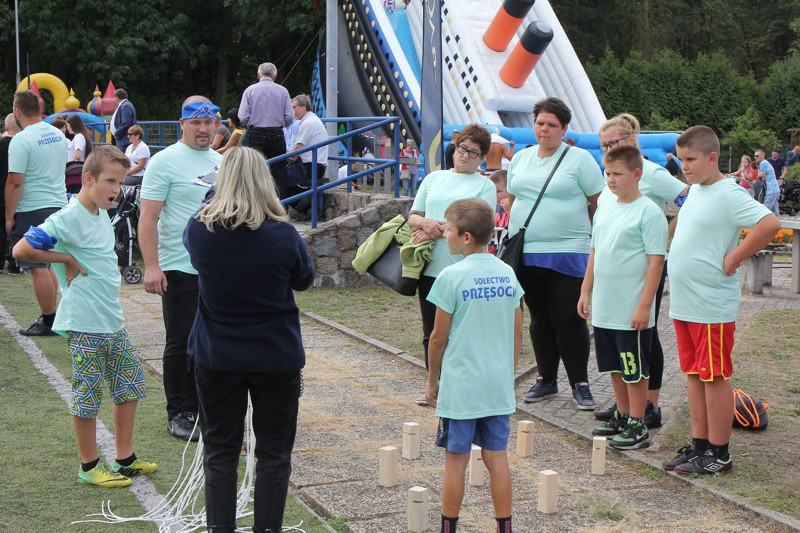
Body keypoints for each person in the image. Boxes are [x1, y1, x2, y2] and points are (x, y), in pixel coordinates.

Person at [184, 146, 314, 532]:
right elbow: (303, 280)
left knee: (221, 453)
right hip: (275, 355)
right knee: (274, 454)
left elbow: (195, 258)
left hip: (217, 353)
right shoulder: (283, 235)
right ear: (265, 182)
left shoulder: (200, 229)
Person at [12, 146, 157, 487]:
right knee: (88, 396)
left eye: (120, 183)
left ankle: (124, 459)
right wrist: (64, 259)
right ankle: (89, 466)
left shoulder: (100, 214)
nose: (116, 190)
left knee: (130, 385)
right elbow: (21, 249)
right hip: (86, 324)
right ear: (88, 179)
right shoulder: (68, 216)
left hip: (110, 321)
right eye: (110, 181)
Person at [663, 125, 780, 475]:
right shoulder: (696, 190)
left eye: (691, 159)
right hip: (686, 303)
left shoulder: (728, 194)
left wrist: (734, 258)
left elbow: (769, 223)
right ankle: (700, 445)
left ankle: (720, 452)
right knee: (694, 375)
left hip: (710, 305)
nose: (684, 166)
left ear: (712, 158)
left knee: (714, 376)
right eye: (681, 159)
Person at [425, 198, 522, 533]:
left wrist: (431, 382)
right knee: (497, 458)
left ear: (466, 237)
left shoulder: (450, 277)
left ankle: (448, 527)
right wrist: (507, 374)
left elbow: (437, 339)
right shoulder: (507, 272)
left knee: (456, 461)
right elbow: (517, 329)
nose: (444, 235)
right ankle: (504, 527)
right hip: (496, 385)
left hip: (462, 388)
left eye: (448, 229)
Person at [507, 97, 605, 410]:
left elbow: (596, 203)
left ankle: (580, 383)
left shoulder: (579, 159)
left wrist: (589, 239)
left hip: (567, 251)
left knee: (568, 318)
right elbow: (511, 198)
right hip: (526, 252)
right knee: (539, 318)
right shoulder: (521, 158)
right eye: (540, 123)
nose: (544, 130)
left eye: (552, 125)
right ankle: (546, 379)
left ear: (564, 128)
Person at [592, 113, 688, 427]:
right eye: (603, 144)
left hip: (646, 265)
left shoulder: (654, 173)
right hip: (616, 272)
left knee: (645, 335)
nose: (607, 149)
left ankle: (650, 406)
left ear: (632, 140)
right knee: (618, 340)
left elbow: (689, 198)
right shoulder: (612, 177)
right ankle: (627, 409)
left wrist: (666, 231)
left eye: (613, 142)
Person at [139, 96, 223, 441]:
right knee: (182, 339)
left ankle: (208, 406)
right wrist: (152, 266)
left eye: (209, 123)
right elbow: (148, 216)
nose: (203, 129)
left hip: (216, 269)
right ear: (182, 125)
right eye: (196, 123)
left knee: (215, 339)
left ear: (216, 124)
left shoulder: (222, 160)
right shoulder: (164, 162)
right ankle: (180, 411)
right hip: (178, 266)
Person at [578, 145, 667, 450]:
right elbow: (595, 251)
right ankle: (623, 414)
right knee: (613, 366)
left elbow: (656, 262)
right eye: (608, 173)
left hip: (632, 308)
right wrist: (585, 289)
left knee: (634, 369)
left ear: (636, 174)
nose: (611, 179)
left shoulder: (649, 212)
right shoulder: (605, 206)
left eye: (618, 174)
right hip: (606, 306)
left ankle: (638, 424)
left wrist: (645, 306)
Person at [408, 123, 497, 405]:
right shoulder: (434, 179)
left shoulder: (485, 186)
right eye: (462, 149)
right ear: (454, 148)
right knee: (432, 333)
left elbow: (479, 223)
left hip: (464, 269)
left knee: (461, 333)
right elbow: (413, 214)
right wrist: (426, 223)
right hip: (432, 266)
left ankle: (458, 389)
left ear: (482, 158)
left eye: (473, 153)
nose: (465, 156)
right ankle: (433, 386)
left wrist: (436, 228)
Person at [5, 90, 68, 336]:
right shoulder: (57, 133)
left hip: (32, 206)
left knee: (36, 266)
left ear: (17, 111)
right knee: (48, 263)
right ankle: (54, 316)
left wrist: (10, 216)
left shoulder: (21, 140)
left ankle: (50, 320)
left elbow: (15, 182)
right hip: (58, 203)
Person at [238, 62, 293, 180]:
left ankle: (255, 198)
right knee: (278, 171)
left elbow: (243, 117)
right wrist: (280, 123)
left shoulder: (250, 90)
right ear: (274, 76)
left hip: (255, 133)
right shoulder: (283, 91)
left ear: (258, 75)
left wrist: (252, 124)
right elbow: (289, 117)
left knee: (253, 170)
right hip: (276, 134)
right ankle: (279, 198)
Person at [284, 94, 329, 218]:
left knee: (278, 176)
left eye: (294, 108)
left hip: (312, 165)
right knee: (280, 174)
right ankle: (303, 204)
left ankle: (304, 205)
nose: (292, 111)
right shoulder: (310, 120)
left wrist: (287, 156)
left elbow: (296, 150)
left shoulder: (309, 122)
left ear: (304, 106)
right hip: (312, 164)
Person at [1, 113, 22, 274]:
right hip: (19, 190)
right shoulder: (23, 144)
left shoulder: (2, 144)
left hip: (1, 188)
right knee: (18, 226)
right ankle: (16, 262)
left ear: (6, 127)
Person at [487, 169, 509, 256]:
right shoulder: (490, 208)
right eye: (492, 191)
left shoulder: (516, 208)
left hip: (507, 255)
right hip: (491, 255)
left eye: (499, 191)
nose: (495, 195)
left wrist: (508, 209)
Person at [754, 148, 780, 215]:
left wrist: (757, 176)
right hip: (775, 190)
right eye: (754, 156)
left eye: (757, 156)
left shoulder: (763, 163)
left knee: (764, 213)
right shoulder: (766, 162)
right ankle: (778, 225)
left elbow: (762, 178)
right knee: (776, 213)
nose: (755, 157)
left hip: (770, 191)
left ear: (763, 155)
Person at [110, 88, 137, 153]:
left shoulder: (125, 106)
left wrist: (117, 133)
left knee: (123, 160)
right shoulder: (125, 105)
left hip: (124, 140)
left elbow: (126, 123)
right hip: (122, 139)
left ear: (117, 97)